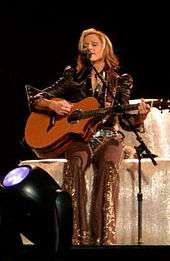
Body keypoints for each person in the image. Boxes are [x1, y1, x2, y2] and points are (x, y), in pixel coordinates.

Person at [26, 28, 150, 245]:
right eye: (86, 45)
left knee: (109, 168)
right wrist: (52, 104)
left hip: (109, 136)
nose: (89, 48)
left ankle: (104, 238)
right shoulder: (72, 77)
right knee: (73, 166)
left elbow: (127, 120)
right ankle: (74, 236)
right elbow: (35, 98)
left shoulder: (121, 80)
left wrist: (139, 118)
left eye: (94, 44)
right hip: (79, 139)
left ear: (105, 48)